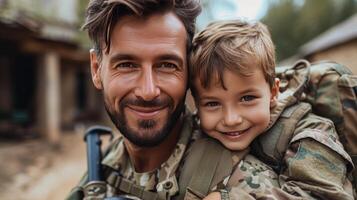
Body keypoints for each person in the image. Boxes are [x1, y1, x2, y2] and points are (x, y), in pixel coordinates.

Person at [66, 1, 283, 200]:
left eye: (167, 65)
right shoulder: (103, 168)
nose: (148, 91)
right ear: (96, 69)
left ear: (189, 71)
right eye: (126, 65)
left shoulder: (242, 182)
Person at [189, 19, 355, 199]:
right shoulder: (193, 134)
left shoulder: (311, 134)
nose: (231, 119)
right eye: (212, 104)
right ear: (197, 105)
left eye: (247, 98)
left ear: (273, 92)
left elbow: (320, 195)